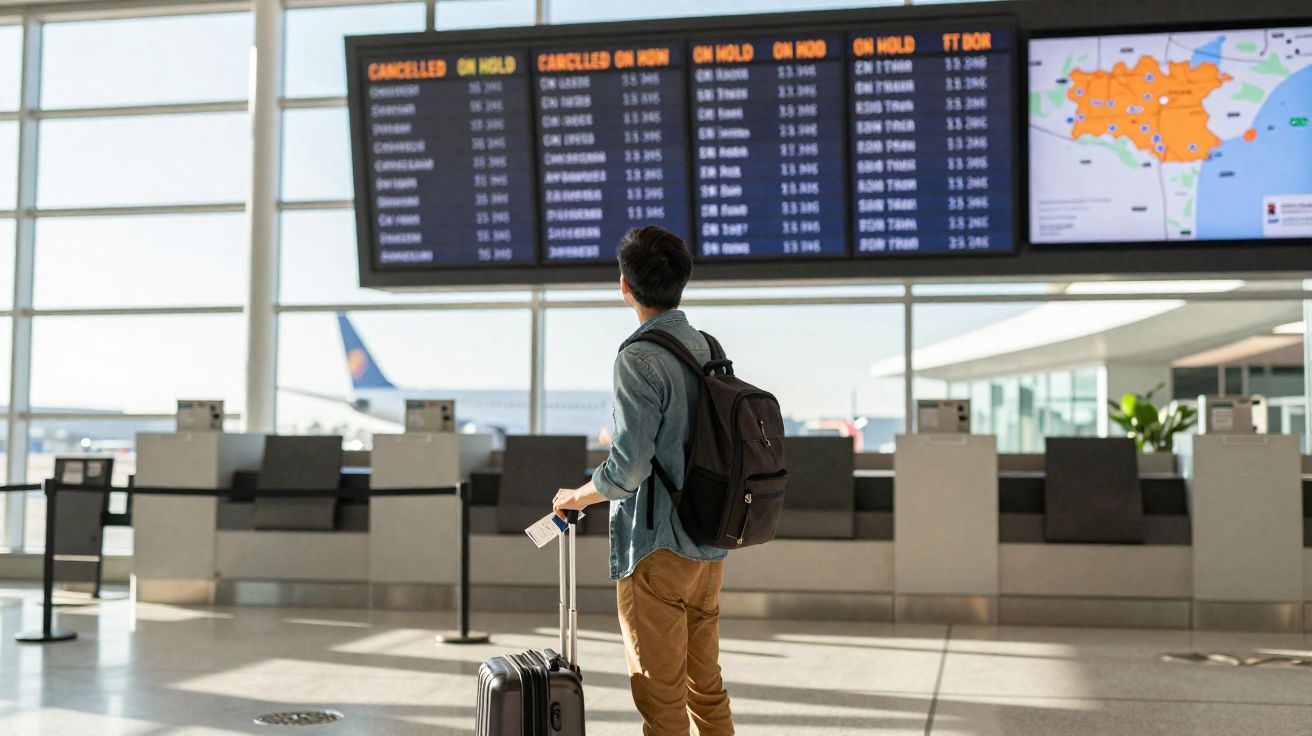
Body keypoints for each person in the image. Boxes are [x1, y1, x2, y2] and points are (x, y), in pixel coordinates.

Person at [553, 225, 734, 736]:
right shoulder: (707, 347)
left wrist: (580, 495)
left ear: (625, 287)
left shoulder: (639, 357)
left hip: (656, 550)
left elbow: (628, 468)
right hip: (708, 542)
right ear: (682, 282)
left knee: (661, 697)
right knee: (706, 684)